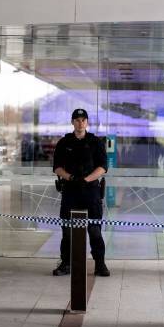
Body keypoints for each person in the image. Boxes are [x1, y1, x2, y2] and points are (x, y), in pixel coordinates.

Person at [52, 108, 110, 277]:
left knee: (94, 230)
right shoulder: (64, 142)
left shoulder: (95, 142)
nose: (80, 122)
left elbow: (103, 167)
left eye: (83, 120)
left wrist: (86, 179)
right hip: (70, 191)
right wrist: (70, 178)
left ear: (87, 122)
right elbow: (57, 167)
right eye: (77, 120)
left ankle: (100, 264)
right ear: (72, 122)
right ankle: (66, 264)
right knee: (67, 231)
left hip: (91, 191)